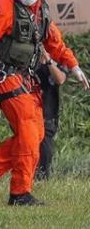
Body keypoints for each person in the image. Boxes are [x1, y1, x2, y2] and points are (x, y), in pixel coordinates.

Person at [0, 0, 89, 206]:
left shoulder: (40, 10)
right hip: (3, 76)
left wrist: (74, 67)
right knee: (29, 134)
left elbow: (55, 42)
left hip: (23, 77)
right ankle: (19, 192)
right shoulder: (3, 7)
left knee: (37, 134)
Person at [35, 45, 67, 180]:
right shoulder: (28, 58)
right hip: (28, 113)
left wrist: (48, 61)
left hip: (47, 117)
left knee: (45, 154)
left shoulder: (57, 57)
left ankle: (41, 181)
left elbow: (60, 79)